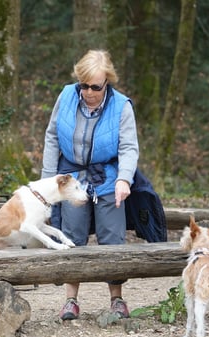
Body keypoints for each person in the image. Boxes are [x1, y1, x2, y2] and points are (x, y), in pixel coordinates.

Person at [41, 50, 139, 320]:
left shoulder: (122, 106)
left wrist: (124, 179)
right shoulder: (66, 96)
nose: (88, 92)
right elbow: (52, 137)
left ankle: (117, 299)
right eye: (83, 86)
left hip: (107, 178)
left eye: (95, 87)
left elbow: (129, 147)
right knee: (71, 237)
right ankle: (70, 300)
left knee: (112, 239)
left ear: (107, 82)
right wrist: (48, 181)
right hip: (72, 178)